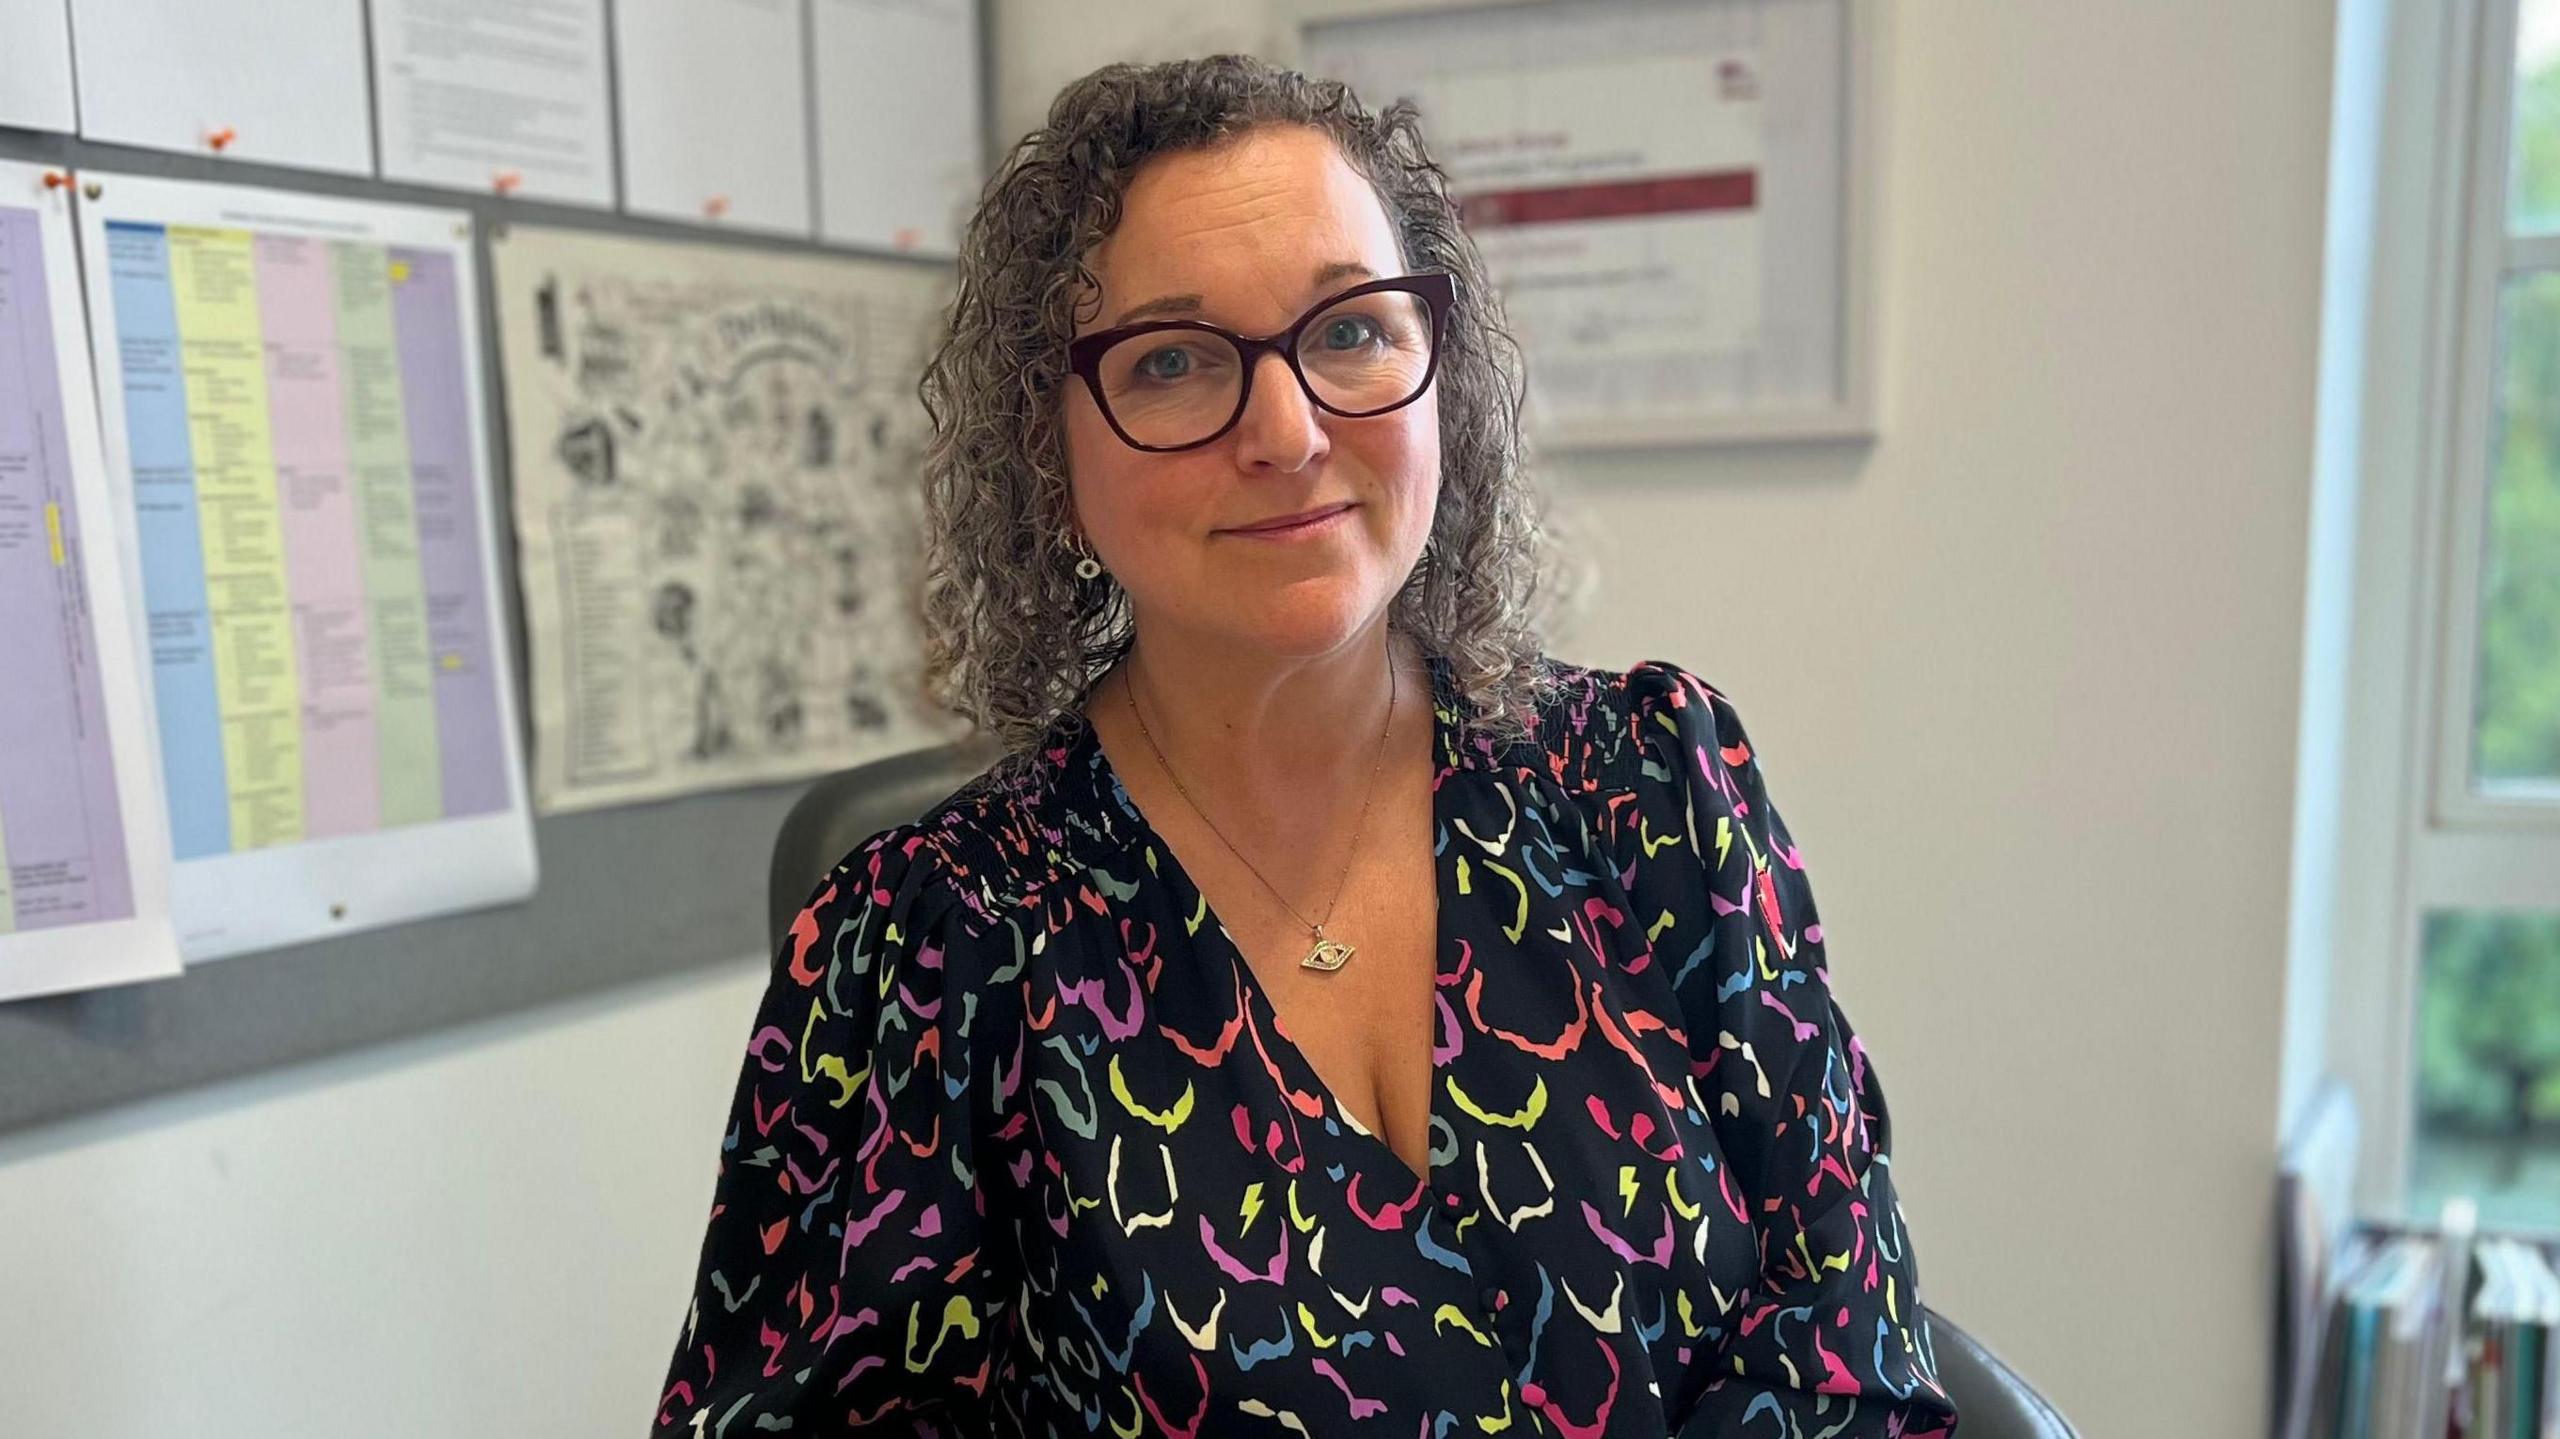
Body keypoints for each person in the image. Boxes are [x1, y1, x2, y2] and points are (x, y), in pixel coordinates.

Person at [655, 54, 1957, 1438]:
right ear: (1051, 440)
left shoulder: (1652, 781)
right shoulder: (930, 942)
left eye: (1349, 331)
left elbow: (1846, 1335)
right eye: (1170, 360)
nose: (1286, 430)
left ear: (1435, 372)